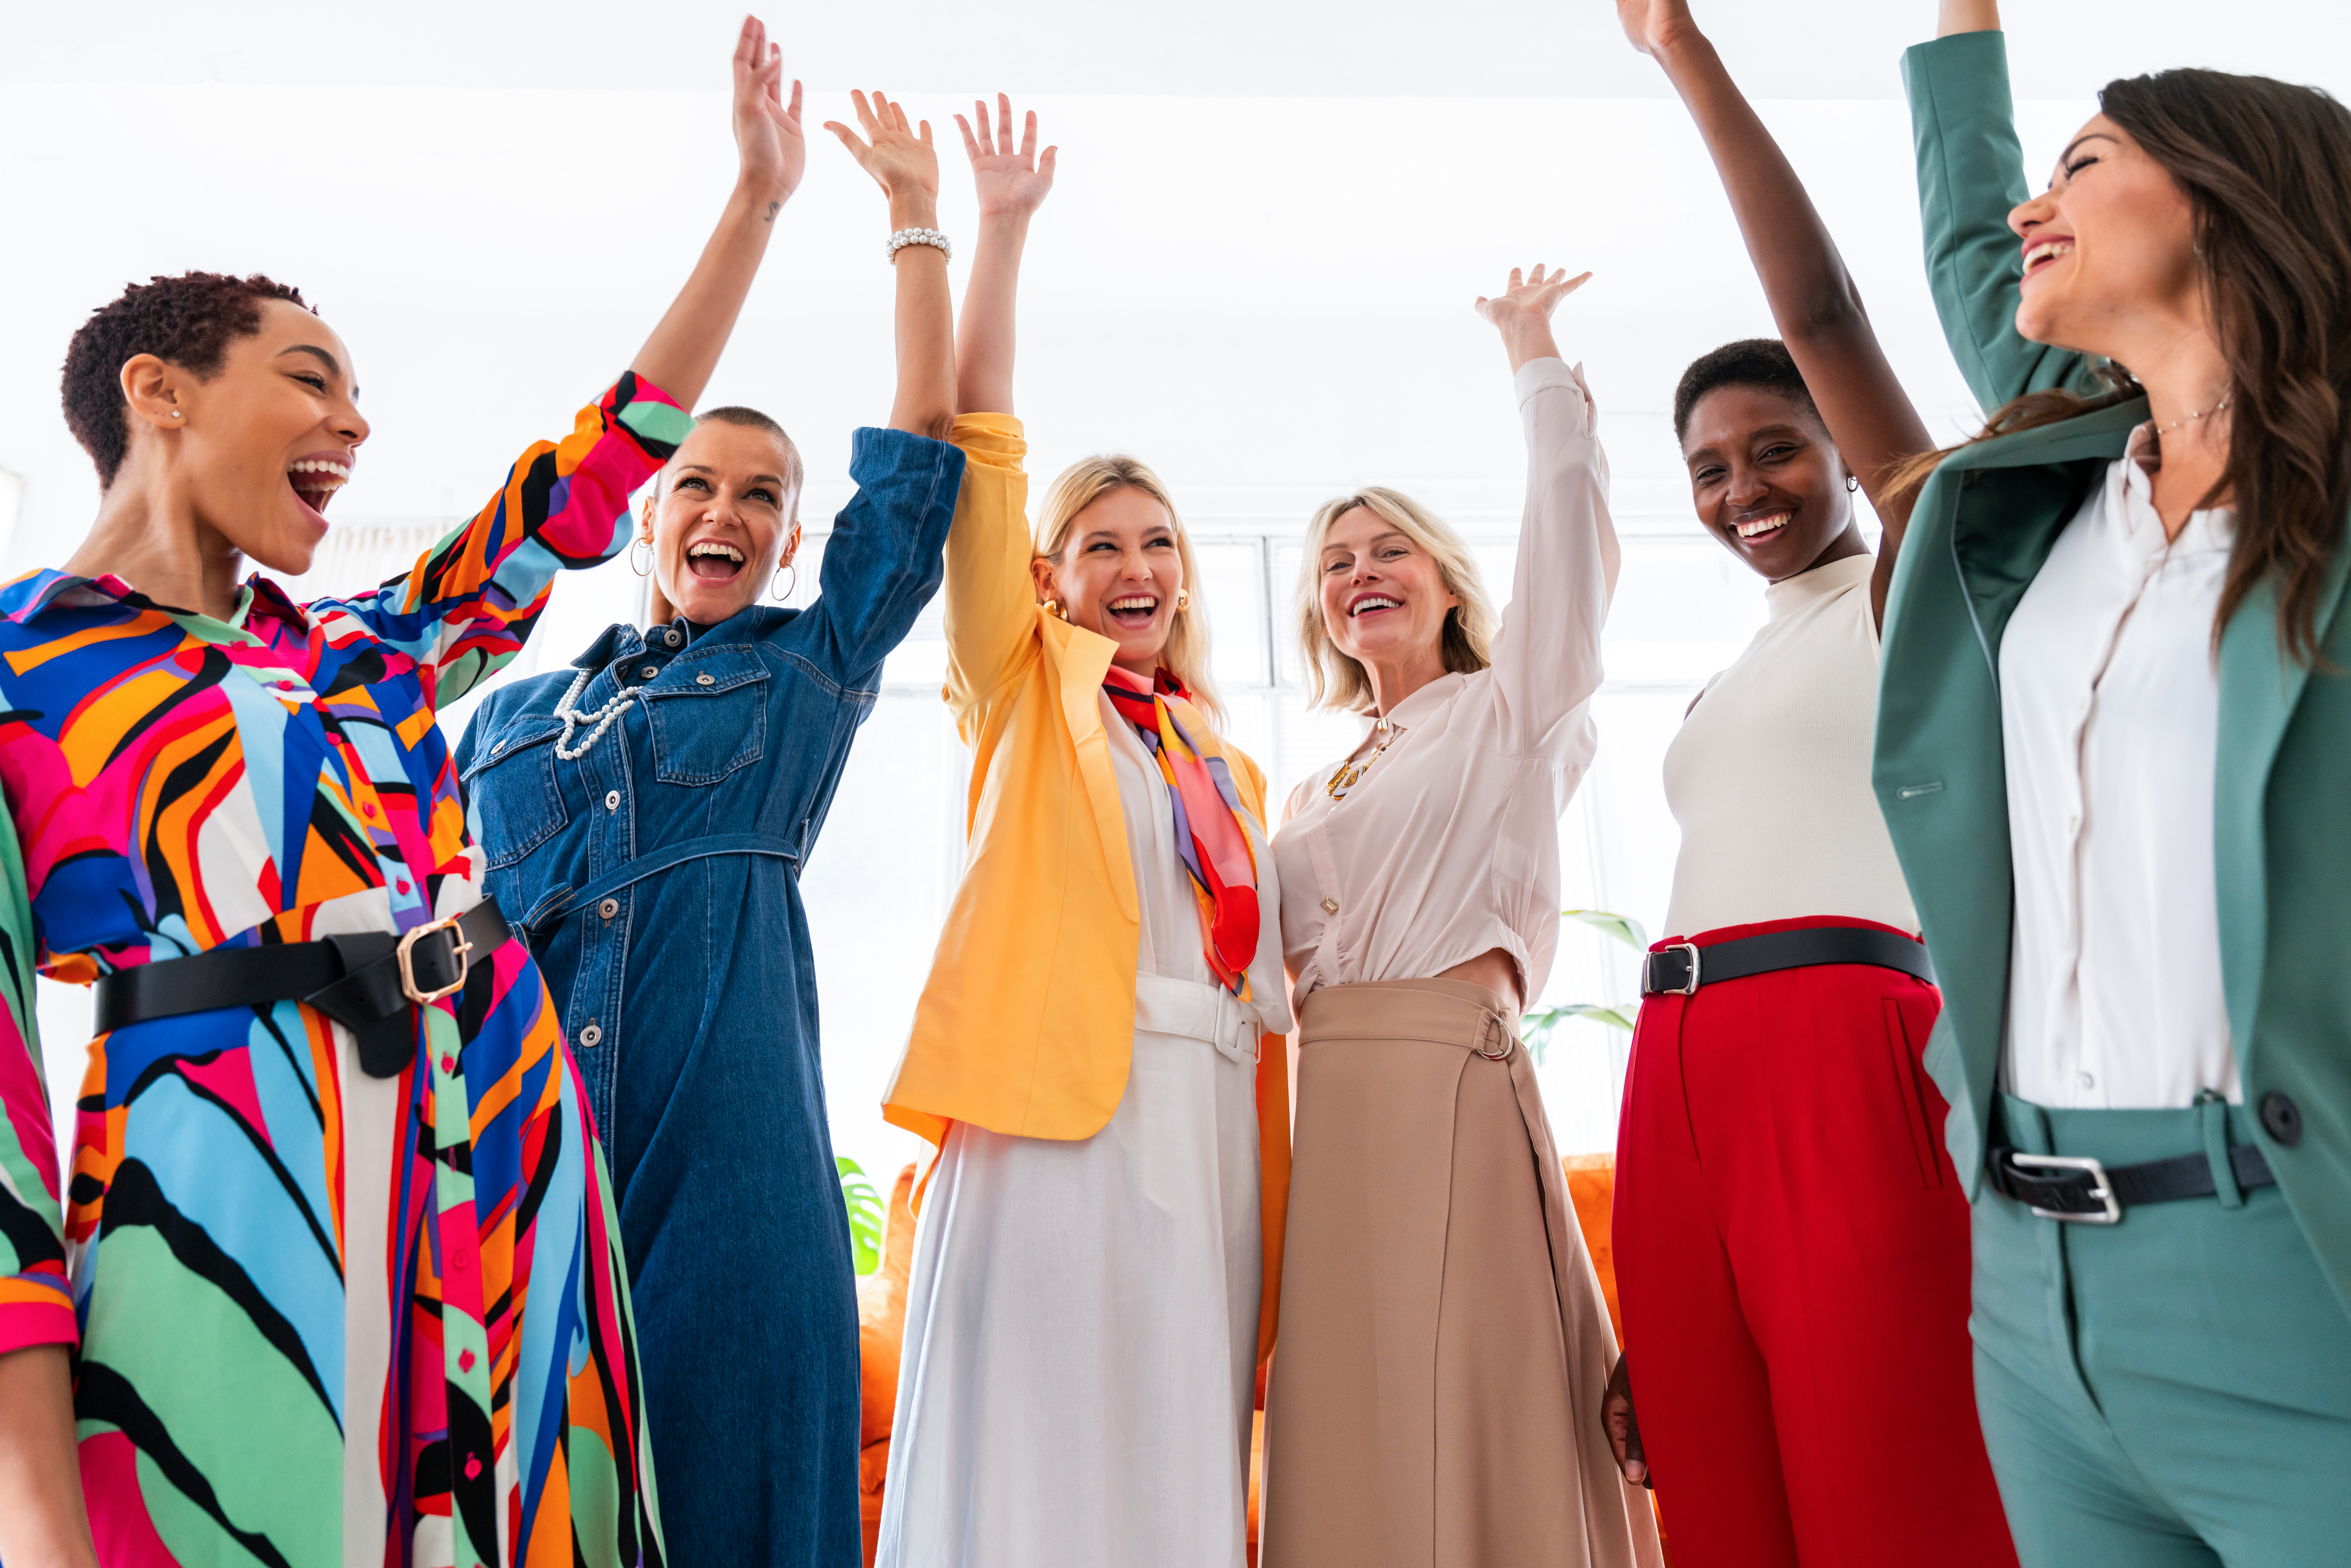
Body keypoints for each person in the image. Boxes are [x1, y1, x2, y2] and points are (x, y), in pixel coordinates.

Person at [0, 17, 798, 1564]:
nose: (355, 424)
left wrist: (756, 204)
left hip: (506, 1127)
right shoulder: (18, 667)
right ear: (159, 391)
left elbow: (588, 480)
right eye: (311, 380)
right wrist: (32, 1508)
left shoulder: (367, 650)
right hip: (232, 1170)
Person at [453, 77, 963, 1568]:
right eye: (697, 484)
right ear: (647, 513)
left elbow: (918, 467)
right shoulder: (503, 717)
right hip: (533, 1167)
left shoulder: (806, 668)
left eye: (763, 496)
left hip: (733, 1185)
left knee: (745, 1520)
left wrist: (915, 222)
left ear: (789, 537)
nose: (724, 511)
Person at [1878, 3, 2351, 1562]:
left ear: (2224, 196)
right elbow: (1971, 237)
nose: (2033, 204)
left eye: (2083, 163)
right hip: (2028, 1294)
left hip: (2288, 1256)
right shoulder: (2053, 496)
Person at [1596, 5, 2019, 1566]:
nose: (1740, 492)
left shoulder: (1914, 585)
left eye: (1774, 450)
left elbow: (1827, 306)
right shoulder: (1730, 676)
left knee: (1889, 1485)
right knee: (1713, 1489)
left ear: (1841, 452)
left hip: (1845, 1037)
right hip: (1672, 1063)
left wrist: (1681, 54)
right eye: (1708, 469)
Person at [873, 97, 1294, 1568]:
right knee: (1043, 1425)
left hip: (1210, 1120)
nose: (1136, 567)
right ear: (1051, 580)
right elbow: (982, 449)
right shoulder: (1020, 685)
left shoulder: (1225, 768)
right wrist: (992, 231)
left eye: (1159, 542)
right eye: (1102, 545)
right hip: (1062, 1112)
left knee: (1179, 1429)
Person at [1259, 263, 1662, 1568]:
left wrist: (1536, 361)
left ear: (1444, 580)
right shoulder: (1312, 779)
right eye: (1335, 562)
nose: (1358, 573)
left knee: (1475, 1389)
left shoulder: (1511, 710)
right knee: (1348, 1411)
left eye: (1387, 550)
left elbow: (1568, 532)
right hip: (1328, 1106)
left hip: (1450, 1080)